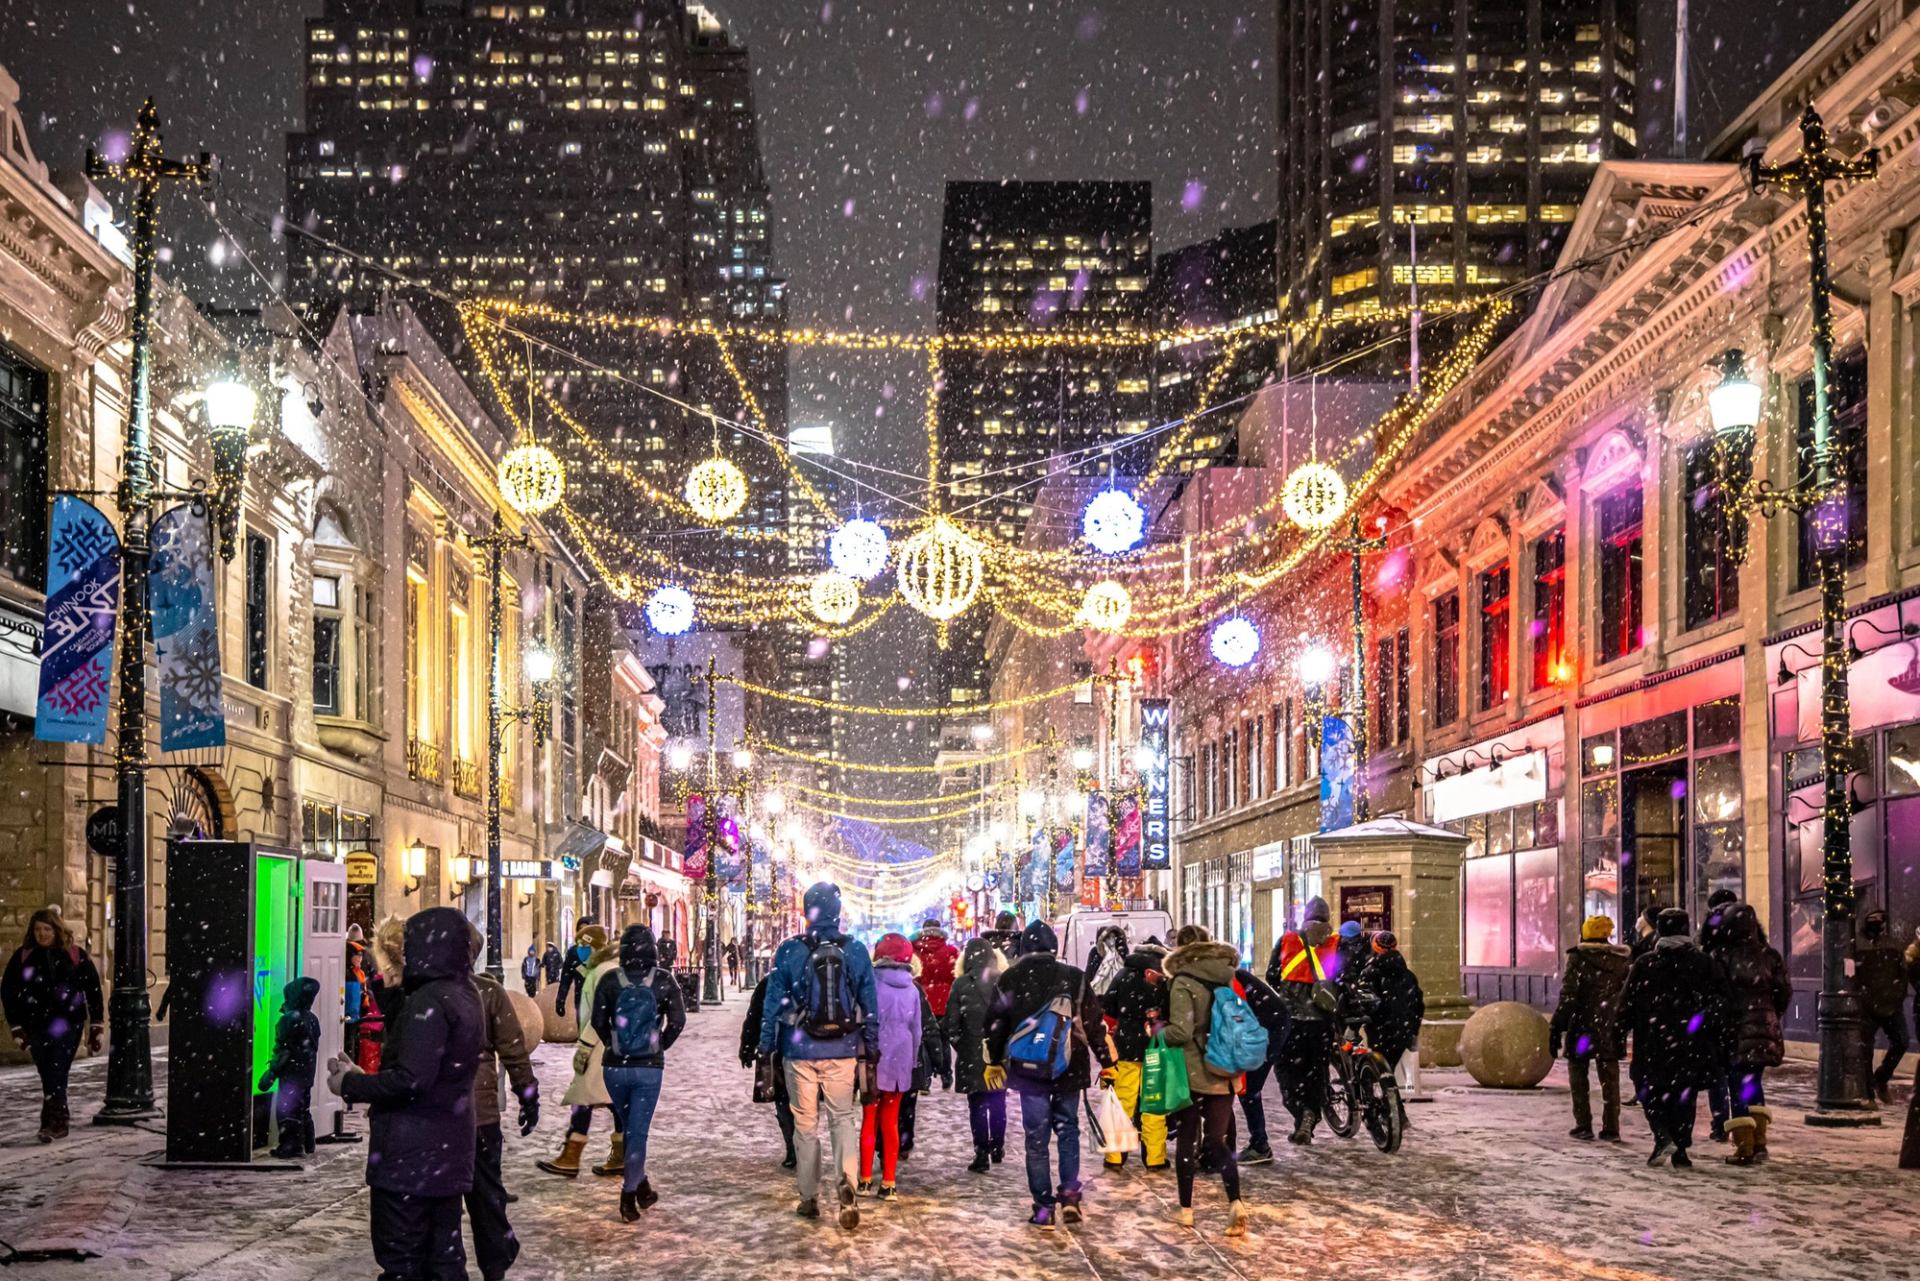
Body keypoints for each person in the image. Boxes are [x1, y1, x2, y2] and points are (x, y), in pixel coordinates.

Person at [327, 906, 483, 1281]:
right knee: (443, 1260)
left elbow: (411, 1080)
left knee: (402, 1260)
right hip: (447, 1151)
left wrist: (350, 1083)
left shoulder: (430, 1001)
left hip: (410, 1158)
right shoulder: (464, 993)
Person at [758, 882, 880, 1231]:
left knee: (805, 1125)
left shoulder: (789, 951)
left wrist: (767, 1046)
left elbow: (772, 1004)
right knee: (842, 1118)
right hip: (841, 1048)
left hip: (799, 1049)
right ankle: (847, 1182)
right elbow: (870, 1006)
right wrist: (870, 1046)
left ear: (806, 912)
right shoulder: (855, 950)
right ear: (838, 913)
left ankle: (809, 1196)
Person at [984, 919, 1112, 1231]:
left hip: (1029, 1072)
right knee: (1068, 1130)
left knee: (1036, 1138)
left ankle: (1043, 1207)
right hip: (1070, 1065)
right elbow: (1094, 1024)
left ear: (1024, 947)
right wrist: (1106, 1060)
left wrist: (995, 1061)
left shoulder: (1011, 977)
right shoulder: (1074, 977)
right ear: (1054, 949)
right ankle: (1069, 1196)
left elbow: (996, 1024)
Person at [1616, 907, 1726, 1168]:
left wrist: (1620, 1030)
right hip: (1690, 1042)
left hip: (1652, 1041)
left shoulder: (1646, 963)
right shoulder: (1703, 962)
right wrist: (1706, 1024)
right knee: (1684, 1095)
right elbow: (1721, 1001)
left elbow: (1626, 1003)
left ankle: (1663, 1135)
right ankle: (1681, 1147)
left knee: (1648, 1088)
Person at [591, 924, 687, 1220]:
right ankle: (628, 1196)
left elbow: (597, 1021)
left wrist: (613, 1044)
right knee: (637, 1133)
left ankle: (642, 1186)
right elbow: (678, 1021)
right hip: (648, 1069)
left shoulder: (609, 980)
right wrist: (659, 1046)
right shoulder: (663, 980)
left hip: (615, 1068)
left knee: (628, 1125)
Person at [1161, 929, 1250, 1237]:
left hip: (1193, 1070)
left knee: (1188, 1135)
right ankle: (1235, 1202)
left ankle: (1186, 1210)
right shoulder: (1226, 976)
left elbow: (1182, 1032)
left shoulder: (1182, 981)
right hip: (1225, 1068)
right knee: (1217, 1139)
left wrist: (1157, 1032)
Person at [464, 923, 538, 1281]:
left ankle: (480, 1258)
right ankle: (496, 1258)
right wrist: (527, 1094)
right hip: (478, 1115)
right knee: (485, 1190)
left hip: (445, 1116)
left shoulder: (424, 992)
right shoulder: (487, 992)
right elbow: (513, 1048)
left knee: (453, 1196)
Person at [2, 908, 104, 1143]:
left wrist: (96, 1025)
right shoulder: (24, 956)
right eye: (38, 929)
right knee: (47, 1070)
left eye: (47, 929)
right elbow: (8, 992)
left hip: (68, 1022)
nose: (42, 934)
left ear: (56, 930)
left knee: (57, 1068)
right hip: (36, 1024)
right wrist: (16, 1025)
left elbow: (93, 989)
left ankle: (56, 1122)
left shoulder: (74, 955)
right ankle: (53, 1118)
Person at [537, 924, 625, 1177]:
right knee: (611, 1100)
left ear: (595, 946)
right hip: (608, 1044)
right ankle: (619, 1153)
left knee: (583, 1098)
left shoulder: (603, 972)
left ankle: (571, 1156)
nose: (580, 950)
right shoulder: (602, 969)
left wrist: (585, 1045)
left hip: (599, 1045)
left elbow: (601, 1014)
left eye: (584, 946)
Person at [1715, 904, 1790, 1165]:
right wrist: (1769, 1014)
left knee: (1737, 1084)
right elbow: (1783, 992)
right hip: (1764, 1028)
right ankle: (1759, 1142)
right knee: (1754, 1082)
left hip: (1736, 1029)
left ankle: (1744, 1146)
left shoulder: (1722, 956)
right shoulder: (1770, 955)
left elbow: (1718, 997)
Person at [1548, 915, 1630, 1141]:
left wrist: (1557, 1025)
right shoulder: (1621, 960)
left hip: (1582, 1025)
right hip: (1609, 1026)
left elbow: (1569, 995)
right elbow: (1626, 997)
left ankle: (1583, 1124)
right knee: (1610, 1079)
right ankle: (1611, 1128)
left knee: (1578, 1075)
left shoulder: (1578, 957)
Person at [1269, 896, 1340, 1144]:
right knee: (1316, 1071)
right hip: (1321, 1023)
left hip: (1292, 1021)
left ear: (1305, 917)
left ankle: (1301, 1112)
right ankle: (1312, 1110)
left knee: (1287, 1070)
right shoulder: (1335, 943)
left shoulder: (1288, 940)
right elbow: (1343, 979)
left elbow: (1271, 976)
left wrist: (1290, 991)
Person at [858, 932, 923, 1200]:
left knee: (869, 1119)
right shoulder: (912, 989)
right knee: (891, 1121)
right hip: (901, 1059)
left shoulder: (871, 984)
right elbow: (916, 1030)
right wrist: (912, 1058)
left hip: (874, 1058)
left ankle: (863, 1179)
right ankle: (889, 1181)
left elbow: (861, 1019)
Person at [1103, 937, 1170, 1171]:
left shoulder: (1122, 975)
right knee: (1154, 1103)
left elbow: (1108, 1008)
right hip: (1154, 1047)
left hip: (1125, 1047)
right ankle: (1155, 1157)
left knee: (1121, 1103)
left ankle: (1115, 1155)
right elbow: (1169, 1011)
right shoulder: (1162, 978)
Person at [944, 937, 1006, 1173]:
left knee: (977, 1104)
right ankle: (997, 1145)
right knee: (998, 1100)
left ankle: (981, 1152)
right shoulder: (1002, 981)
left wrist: (966, 1046)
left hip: (971, 1052)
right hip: (999, 1052)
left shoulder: (961, 984)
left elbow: (951, 1025)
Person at [1851, 909, 1911, 1104]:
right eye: (1873, 919)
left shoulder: (1891, 944)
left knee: (1901, 1041)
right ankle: (1868, 1092)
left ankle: (1880, 1078)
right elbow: (1850, 976)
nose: (1877, 923)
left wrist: (1897, 996)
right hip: (1867, 1005)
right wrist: (1862, 996)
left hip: (1890, 1003)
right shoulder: (1856, 945)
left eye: (1880, 920)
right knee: (1865, 1050)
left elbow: (1902, 974)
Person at [260, 976, 322, 1159]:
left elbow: (283, 1050)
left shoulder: (289, 1020)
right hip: (307, 1070)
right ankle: (307, 1141)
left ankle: (290, 1144)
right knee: (303, 1106)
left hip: (291, 1072)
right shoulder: (312, 1019)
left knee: (287, 1108)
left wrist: (272, 1072)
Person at [1353, 930, 1423, 1091]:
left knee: (1378, 1070)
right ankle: (1391, 1108)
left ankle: (1380, 1105)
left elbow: (1366, 1001)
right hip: (1403, 1030)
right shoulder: (1408, 974)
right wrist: (1413, 1030)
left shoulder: (1370, 972)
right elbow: (1418, 1004)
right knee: (1387, 1070)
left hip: (1380, 1029)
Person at [740, 971, 797, 1169]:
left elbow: (755, 1016)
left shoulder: (770, 982)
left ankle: (793, 1146)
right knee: (801, 1101)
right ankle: (800, 1145)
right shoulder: (808, 978)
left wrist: (747, 1046)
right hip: (803, 1050)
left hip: (776, 1049)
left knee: (783, 1099)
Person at [554, 923, 596, 1018]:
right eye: (581, 929)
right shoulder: (573, 952)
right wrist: (560, 1000)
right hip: (581, 999)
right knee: (583, 1030)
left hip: (600, 1000)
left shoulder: (601, 951)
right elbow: (565, 979)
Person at [1088, 924, 1131, 997]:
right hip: (1100, 993)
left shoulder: (1121, 952)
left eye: (1113, 937)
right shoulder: (1096, 952)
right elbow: (1090, 972)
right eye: (1108, 938)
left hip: (1119, 992)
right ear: (1102, 939)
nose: (1112, 940)